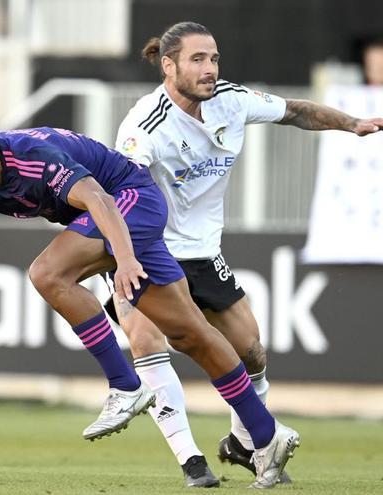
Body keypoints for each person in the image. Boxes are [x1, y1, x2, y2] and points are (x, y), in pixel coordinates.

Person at [0, 104, 300, 489]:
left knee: (47, 273)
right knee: (189, 334)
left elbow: (101, 202)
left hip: (131, 201)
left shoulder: (34, 156)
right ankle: (267, 435)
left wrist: (122, 260)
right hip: (110, 224)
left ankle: (125, 387)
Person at [107, 21, 383, 487]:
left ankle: (241, 443)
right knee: (148, 344)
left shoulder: (231, 100)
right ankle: (191, 461)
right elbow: (121, 192)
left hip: (202, 252)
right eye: (198, 59)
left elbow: (295, 111)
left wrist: (350, 124)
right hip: (150, 250)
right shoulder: (143, 123)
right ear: (168, 65)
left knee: (252, 353)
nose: (210, 68)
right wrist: (121, 257)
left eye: (214, 58)